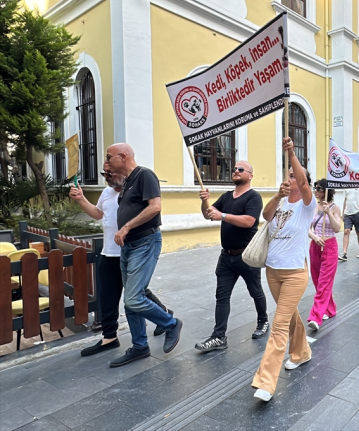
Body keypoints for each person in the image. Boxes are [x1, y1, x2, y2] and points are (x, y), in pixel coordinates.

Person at [69, 164, 171, 357]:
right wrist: (81, 199)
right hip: (109, 251)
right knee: (108, 295)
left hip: (132, 249)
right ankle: (109, 337)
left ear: (123, 171)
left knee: (137, 294)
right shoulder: (107, 192)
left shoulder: (134, 190)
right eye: (104, 173)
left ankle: (166, 318)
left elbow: (153, 208)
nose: (107, 176)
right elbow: (98, 213)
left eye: (110, 172)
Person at [106, 143, 181, 367]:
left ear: (123, 156)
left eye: (110, 157)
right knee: (130, 300)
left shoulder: (145, 175)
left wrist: (126, 227)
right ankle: (140, 346)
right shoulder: (128, 181)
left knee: (133, 297)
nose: (107, 162)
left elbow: (155, 206)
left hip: (144, 242)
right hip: (129, 246)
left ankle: (170, 323)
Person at [252, 137, 316, 402]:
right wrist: (277, 195)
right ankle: (302, 353)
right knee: (289, 317)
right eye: (288, 174)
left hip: (294, 273)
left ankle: (266, 382)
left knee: (278, 324)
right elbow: (265, 217)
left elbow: (302, 182)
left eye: (295, 175)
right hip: (273, 270)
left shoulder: (306, 205)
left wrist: (291, 152)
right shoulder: (281, 202)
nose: (291, 178)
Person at [194, 161, 268, 353]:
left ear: (250, 175)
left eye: (241, 169)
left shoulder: (253, 197)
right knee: (221, 296)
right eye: (234, 168)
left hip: (246, 255)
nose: (236, 171)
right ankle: (219, 337)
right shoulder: (227, 196)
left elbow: (249, 221)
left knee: (255, 291)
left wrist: (224, 216)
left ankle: (263, 320)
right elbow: (209, 214)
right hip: (226, 257)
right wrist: (205, 201)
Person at [307, 179, 342, 331]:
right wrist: (315, 237)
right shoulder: (312, 207)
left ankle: (315, 316)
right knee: (316, 279)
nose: (315, 191)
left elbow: (337, 228)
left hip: (330, 247)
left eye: (319, 188)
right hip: (315, 245)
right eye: (315, 188)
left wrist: (329, 213)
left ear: (326, 190)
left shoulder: (335, 208)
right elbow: (307, 228)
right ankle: (330, 308)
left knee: (324, 282)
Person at [340, 188, 359, 261]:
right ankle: (344, 253)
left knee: (358, 232)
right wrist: (343, 213)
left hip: (357, 212)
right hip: (347, 213)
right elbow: (345, 200)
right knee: (346, 231)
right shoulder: (346, 185)